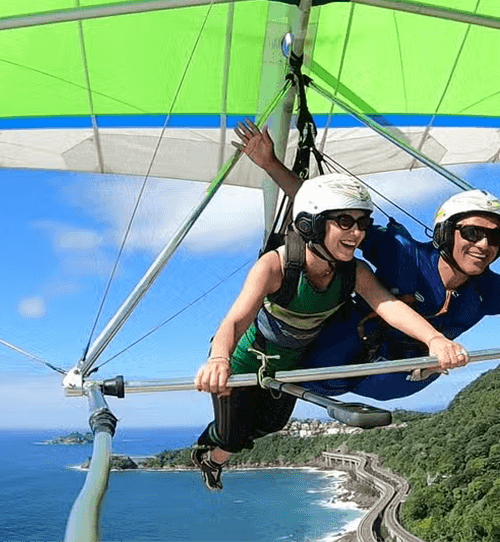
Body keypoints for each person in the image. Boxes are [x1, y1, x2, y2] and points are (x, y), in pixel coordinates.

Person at [232, 120, 500, 402]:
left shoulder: (488, 290)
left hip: (398, 381)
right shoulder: (402, 251)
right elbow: (333, 216)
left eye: (495, 237)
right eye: (472, 232)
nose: (484, 244)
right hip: (337, 364)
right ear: (447, 235)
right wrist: (270, 164)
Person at [190, 173, 469, 491]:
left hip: (290, 362)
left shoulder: (354, 271)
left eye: (363, 222)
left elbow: (388, 306)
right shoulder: (276, 266)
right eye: (345, 222)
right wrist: (218, 359)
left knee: (274, 423)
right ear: (311, 224)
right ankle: (208, 455)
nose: (358, 232)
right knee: (231, 435)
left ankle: (219, 454)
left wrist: (434, 339)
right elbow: (235, 320)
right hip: (245, 358)